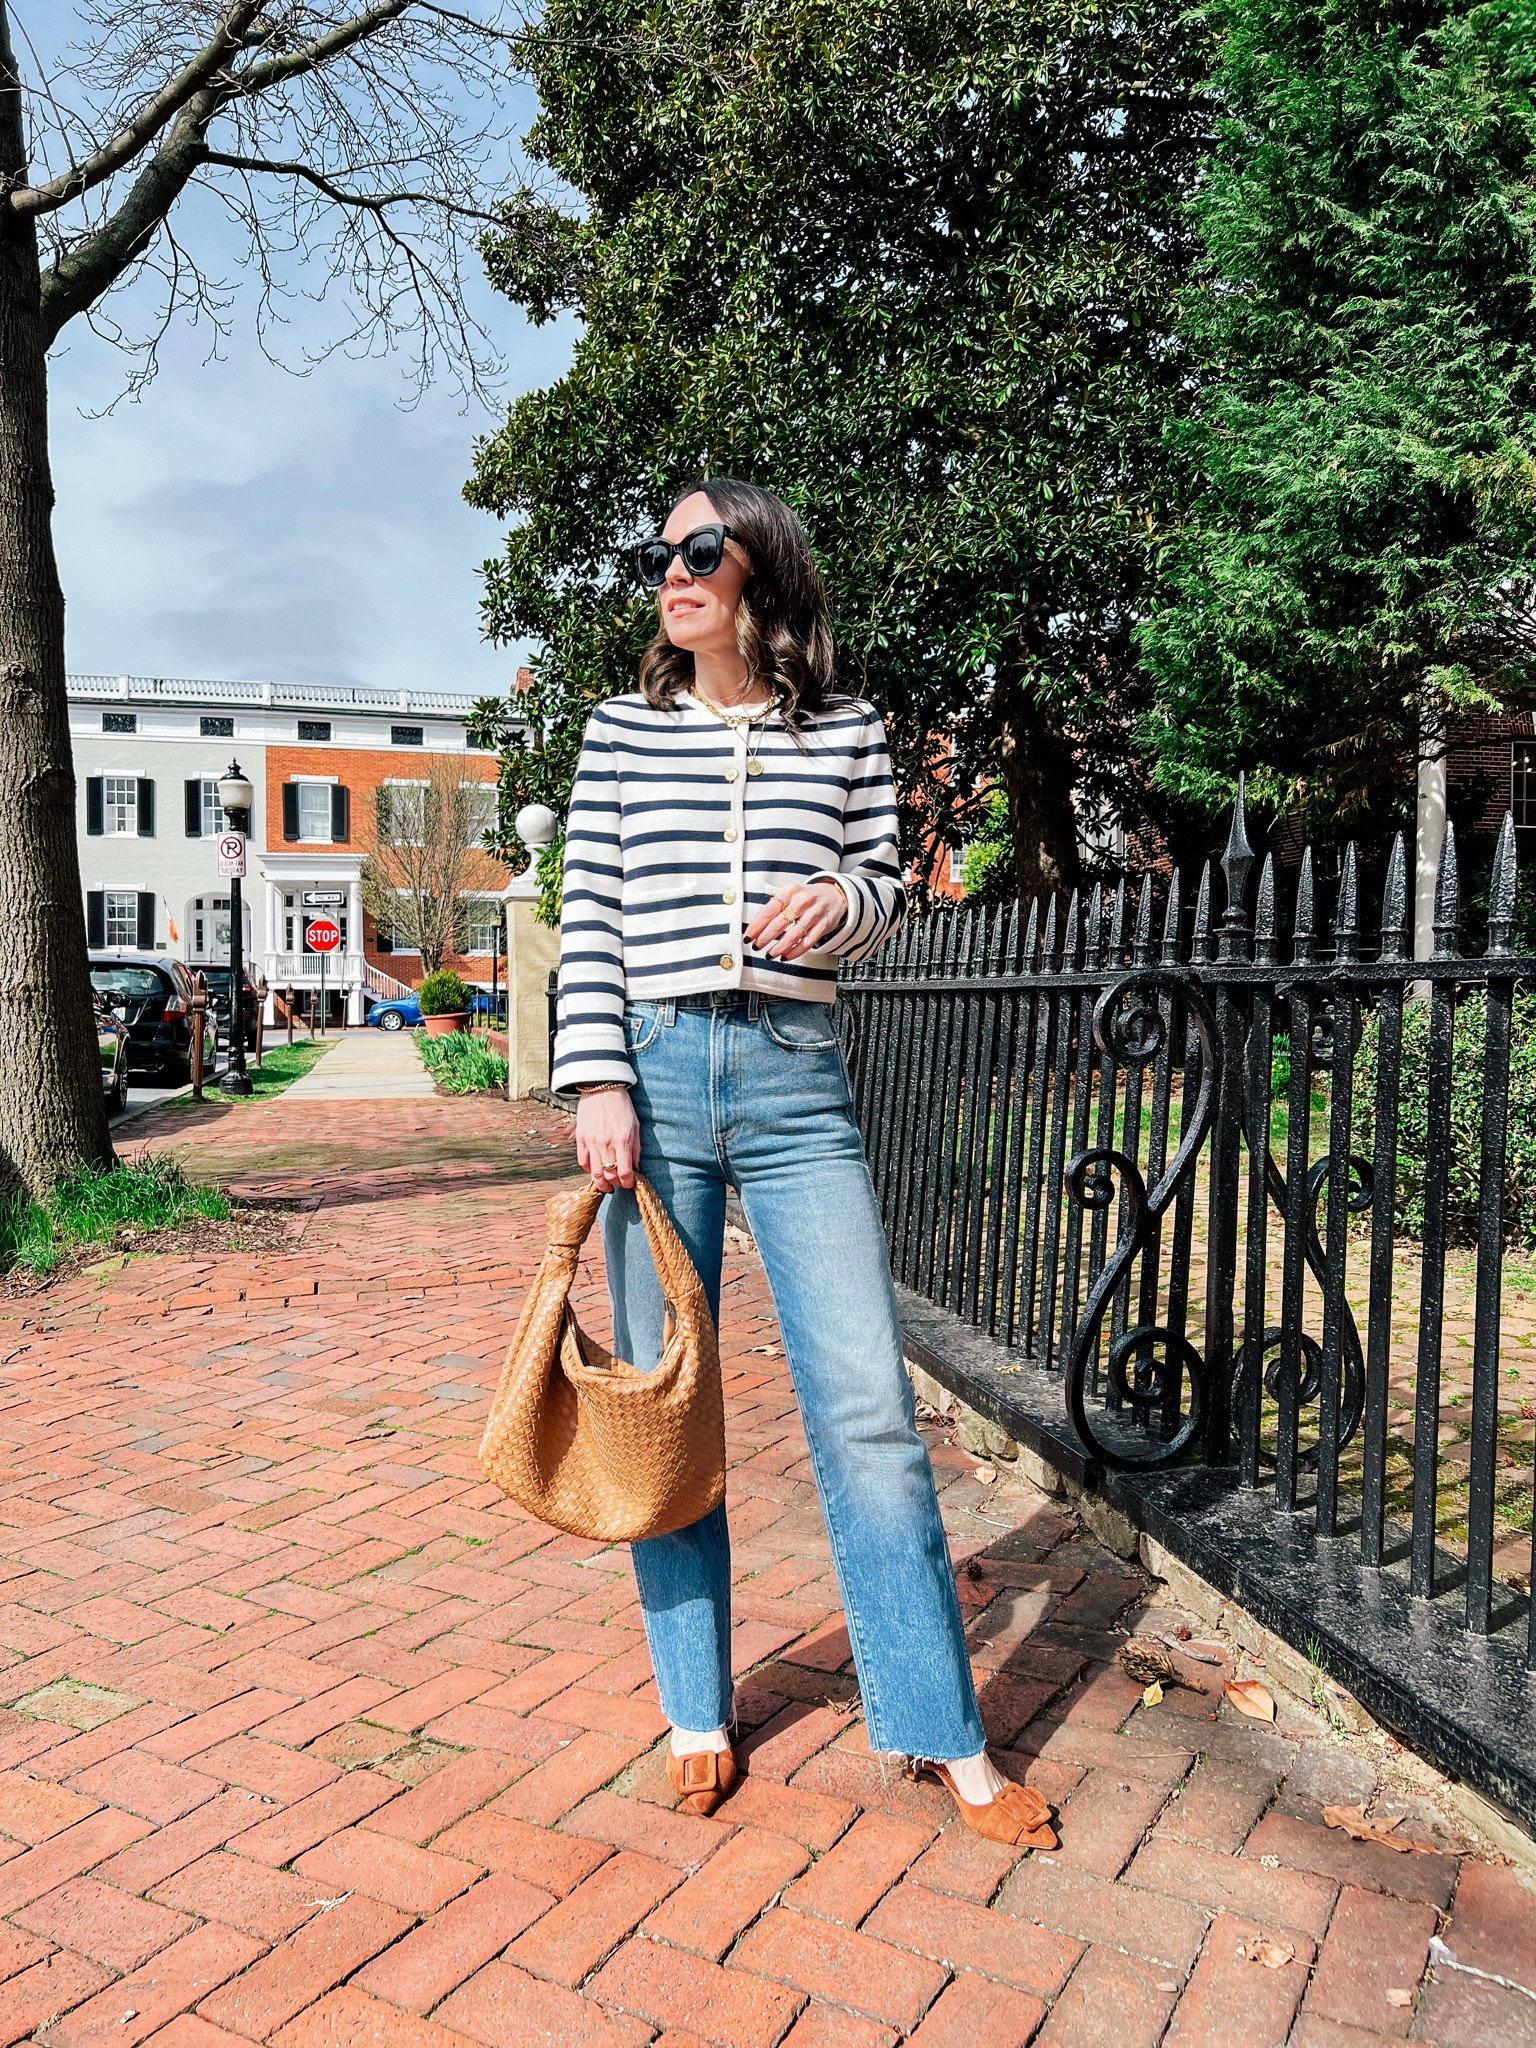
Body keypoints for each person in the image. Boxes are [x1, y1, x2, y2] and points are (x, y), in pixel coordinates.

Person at [552, 476, 1055, 1846]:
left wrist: (843, 901)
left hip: (794, 1083)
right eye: (661, 550)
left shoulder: (843, 730)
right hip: (652, 1079)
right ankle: (699, 1710)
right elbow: (587, 913)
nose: (673, 568)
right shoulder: (618, 733)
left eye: (700, 547)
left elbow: (884, 889)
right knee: (669, 1408)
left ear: (762, 569)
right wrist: (596, 1078)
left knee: (869, 1414)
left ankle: (939, 1727)